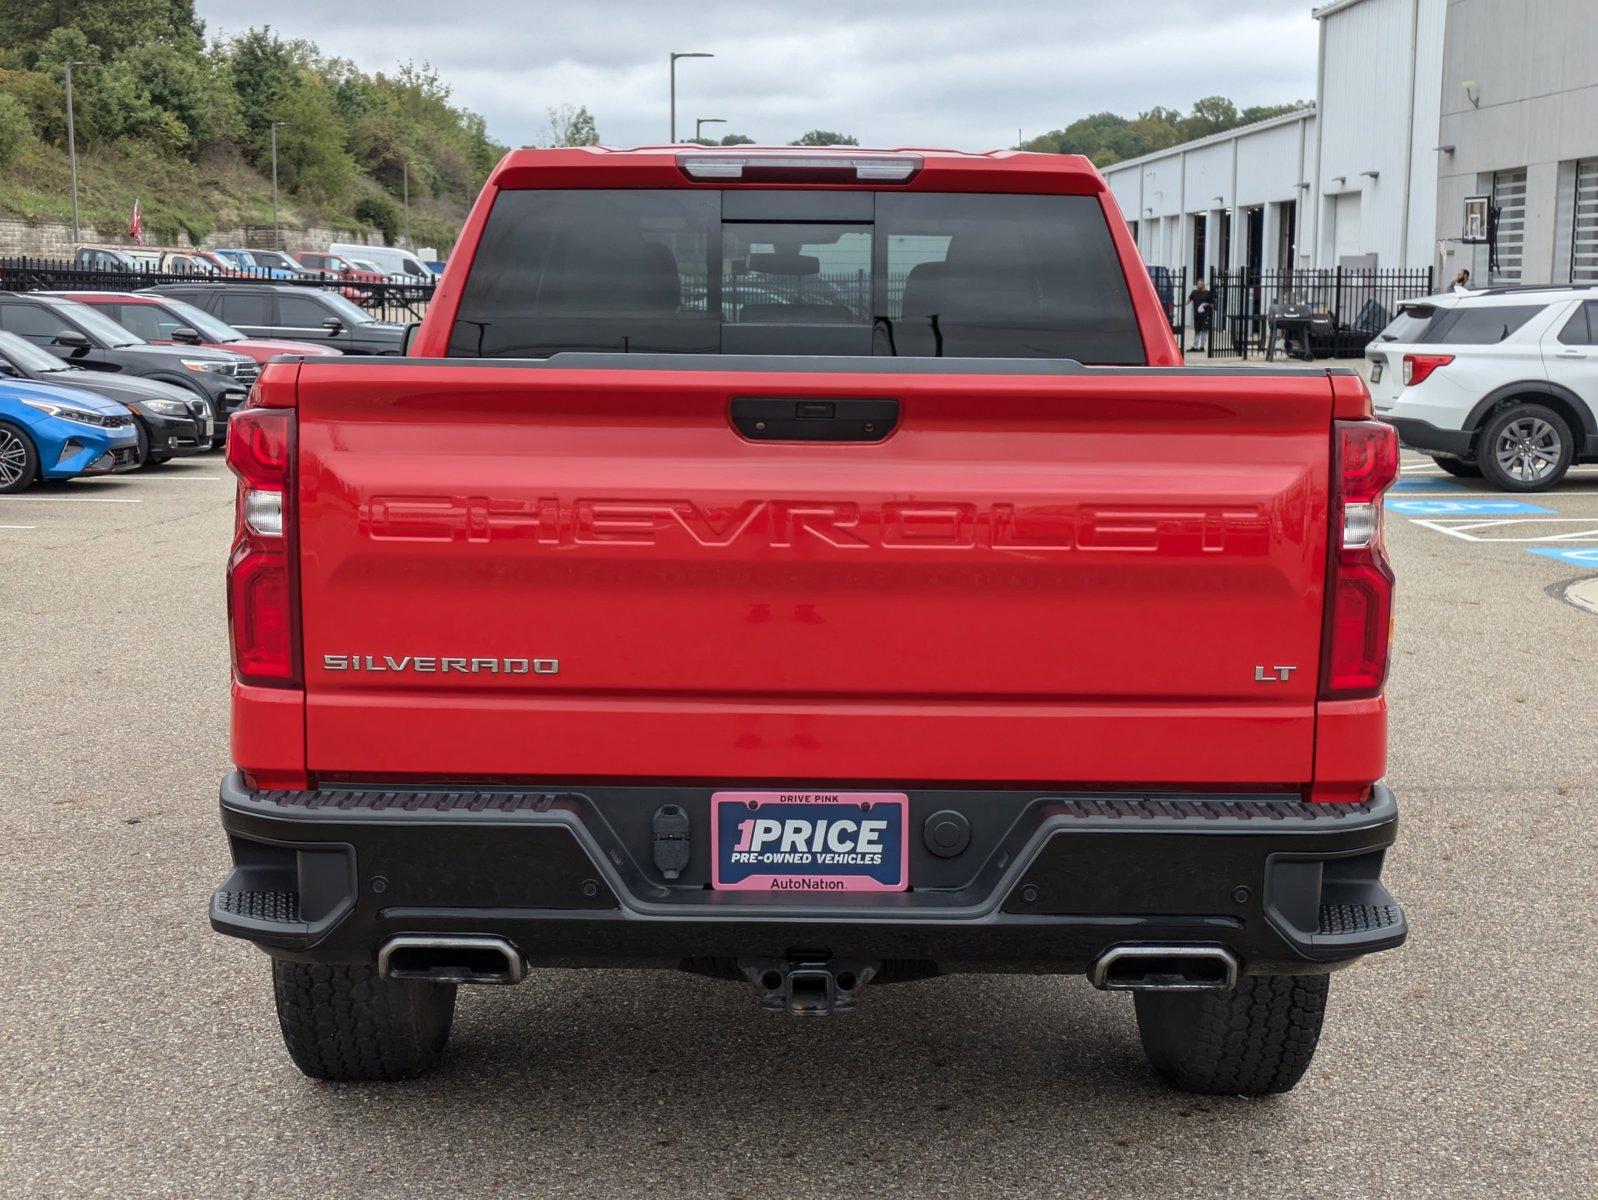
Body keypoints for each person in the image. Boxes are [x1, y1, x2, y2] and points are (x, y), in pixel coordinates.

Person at [1188, 277, 1215, 352]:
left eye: (1200, 284)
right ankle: (1195, 345)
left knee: (1204, 330)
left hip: (1205, 315)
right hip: (1197, 315)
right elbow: (1189, 300)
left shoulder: (1208, 293)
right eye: (1197, 284)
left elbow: (1212, 304)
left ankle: (1202, 346)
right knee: (1197, 330)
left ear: (1203, 284)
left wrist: (1207, 304)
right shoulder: (1194, 292)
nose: (1198, 285)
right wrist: (1183, 304)